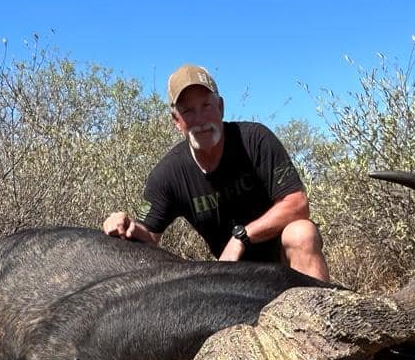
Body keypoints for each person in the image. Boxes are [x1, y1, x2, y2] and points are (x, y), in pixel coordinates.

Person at [102, 64, 330, 281]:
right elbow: (150, 234)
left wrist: (241, 237)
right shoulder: (168, 174)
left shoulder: (255, 140)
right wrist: (127, 225)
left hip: (285, 264)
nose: (200, 120)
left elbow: (297, 204)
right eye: (188, 111)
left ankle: (320, 316)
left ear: (220, 107)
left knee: (301, 233)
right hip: (232, 276)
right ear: (176, 120)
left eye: (206, 106)